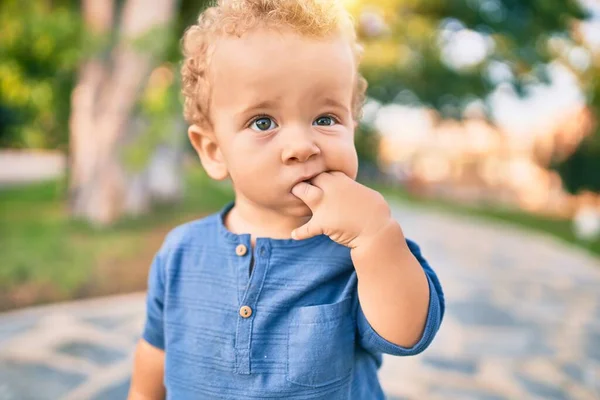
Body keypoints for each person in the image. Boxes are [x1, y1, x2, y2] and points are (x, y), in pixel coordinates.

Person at [128, 1, 444, 398]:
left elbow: (409, 332)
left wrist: (377, 236)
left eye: (325, 119)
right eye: (263, 122)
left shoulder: (358, 251)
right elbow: (154, 358)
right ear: (213, 150)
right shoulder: (180, 253)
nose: (301, 146)